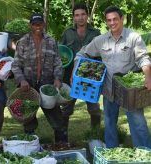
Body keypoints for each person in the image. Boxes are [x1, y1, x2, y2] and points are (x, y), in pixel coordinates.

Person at [76, 6, 151, 148]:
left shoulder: (133, 37)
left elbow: (143, 58)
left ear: (122, 19)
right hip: (109, 89)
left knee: (138, 123)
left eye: (115, 19)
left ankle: (145, 153)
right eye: (109, 20)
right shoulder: (101, 40)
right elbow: (82, 54)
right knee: (110, 123)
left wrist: (148, 76)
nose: (112, 23)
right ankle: (112, 153)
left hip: (130, 91)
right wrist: (76, 68)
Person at [11, 13, 67, 144]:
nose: (38, 27)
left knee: (56, 118)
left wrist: (58, 78)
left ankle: (62, 144)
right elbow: (16, 65)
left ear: (44, 24)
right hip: (28, 86)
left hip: (47, 85)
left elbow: (58, 63)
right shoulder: (23, 41)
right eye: (35, 24)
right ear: (30, 25)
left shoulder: (51, 41)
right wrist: (21, 80)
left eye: (40, 24)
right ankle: (30, 145)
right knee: (29, 119)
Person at [60, 3, 101, 140]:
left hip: (90, 77)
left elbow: (100, 55)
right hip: (69, 77)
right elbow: (61, 53)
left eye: (83, 14)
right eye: (77, 15)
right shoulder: (67, 33)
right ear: (73, 17)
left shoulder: (95, 33)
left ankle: (94, 136)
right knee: (66, 109)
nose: (80, 18)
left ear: (87, 15)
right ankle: (63, 138)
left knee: (94, 109)